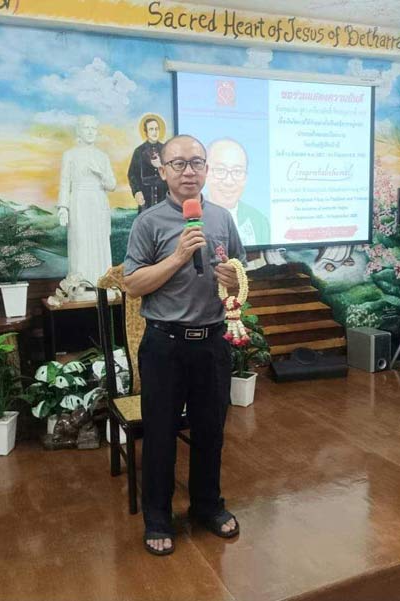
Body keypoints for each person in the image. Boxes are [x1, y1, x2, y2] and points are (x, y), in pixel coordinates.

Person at [124, 134, 246, 555]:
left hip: (212, 342)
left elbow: (239, 271)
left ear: (206, 170)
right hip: (165, 345)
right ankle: (158, 517)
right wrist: (177, 257)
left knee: (210, 431)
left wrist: (233, 279)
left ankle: (207, 505)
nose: (188, 171)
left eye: (196, 162)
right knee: (160, 434)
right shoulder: (148, 223)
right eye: (178, 163)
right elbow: (132, 284)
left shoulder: (222, 218)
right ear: (162, 171)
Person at [58, 115, 116, 289]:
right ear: (79, 130)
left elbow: (112, 185)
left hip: (98, 201)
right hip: (79, 201)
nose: (90, 132)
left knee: (100, 240)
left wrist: (101, 173)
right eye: (86, 128)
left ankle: (102, 282)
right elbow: (64, 182)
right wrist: (63, 207)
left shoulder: (102, 156)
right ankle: (80, 282)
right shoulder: (70, 155)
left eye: (93, 128)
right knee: (80, 240)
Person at [206, 138, 270, 247]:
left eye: (237, 171)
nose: (229, 181)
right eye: (220, 170)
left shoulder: (259, 221)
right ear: (205, 173)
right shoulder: (193, 218)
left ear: (246, 177)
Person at [127, 116, 168, 213]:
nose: (155, 132)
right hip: (146, 197)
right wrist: (136, 192)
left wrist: (160, 166)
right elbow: (132, 174)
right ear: (146, 132)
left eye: (156, 129)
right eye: (151, 129)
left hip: (163, 195)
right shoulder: (139, 151)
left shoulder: (166, 149)